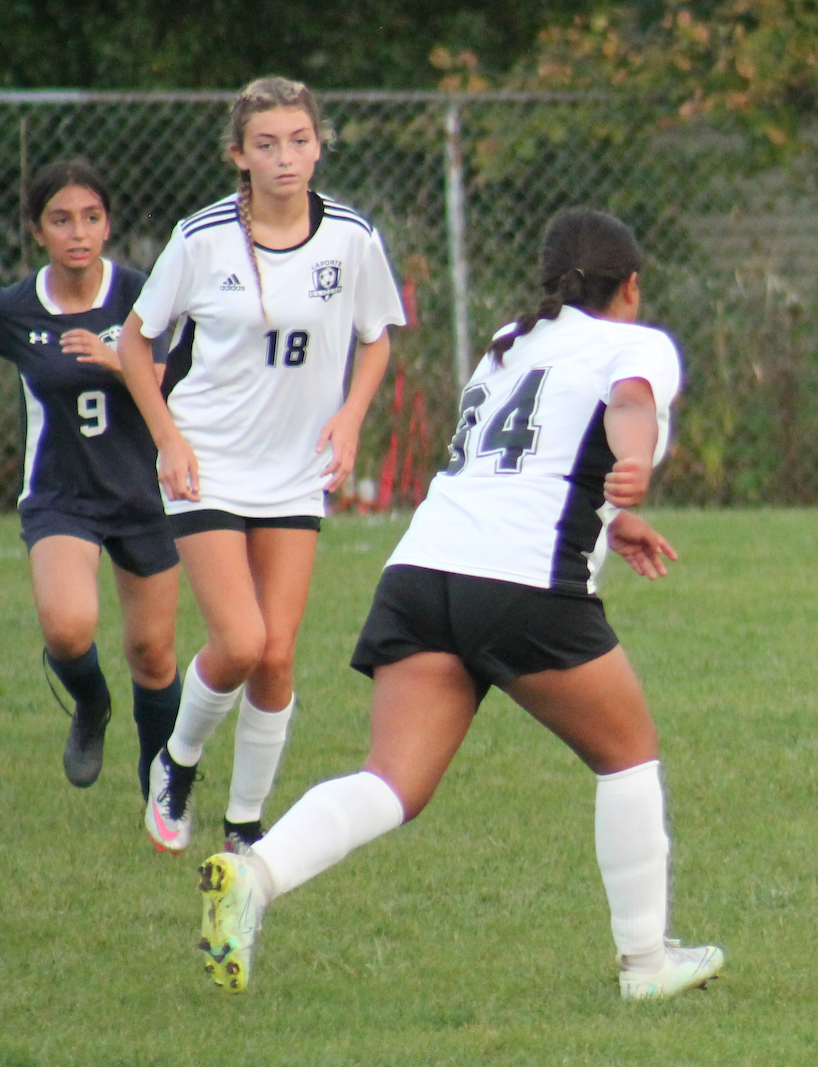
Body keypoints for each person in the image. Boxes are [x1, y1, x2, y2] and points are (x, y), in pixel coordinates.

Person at [190, 208, 724, 1003]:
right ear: (632, 286)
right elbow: (630, 403)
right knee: (628, 755)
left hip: (422, 573)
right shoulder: (635, 343)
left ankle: (256, 873)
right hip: (522, 581)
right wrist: (636, 461)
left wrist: (613, 515)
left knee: (391, 780)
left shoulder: (511, 339)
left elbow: (519, 461)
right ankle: (647, 964)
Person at [117, 76, 405, 855]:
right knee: (240, 641)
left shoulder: (351, 237)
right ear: (238, 155)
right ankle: (176, 765)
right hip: (208, 459)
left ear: (319, 147)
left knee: (277, 655)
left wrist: (349, 417)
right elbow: (135, 344)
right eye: (267, 144)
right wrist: (168, 438)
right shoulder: (203, 237)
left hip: (295, 468)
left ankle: (245, 825)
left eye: (300, 141)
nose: (285, 157)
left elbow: (376, 337)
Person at [0, 159, 182, 797]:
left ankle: (162, 789)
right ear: (35, 230)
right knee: (67, 626)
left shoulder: (142, 294)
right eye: (60, 219)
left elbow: (184, 379)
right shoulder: (17, 309)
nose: (77, 232)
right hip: (61, 495)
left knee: (153, 654)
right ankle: (91, 704)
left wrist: (119, 360)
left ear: (108, 225)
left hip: (144, 491)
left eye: (91, 217)